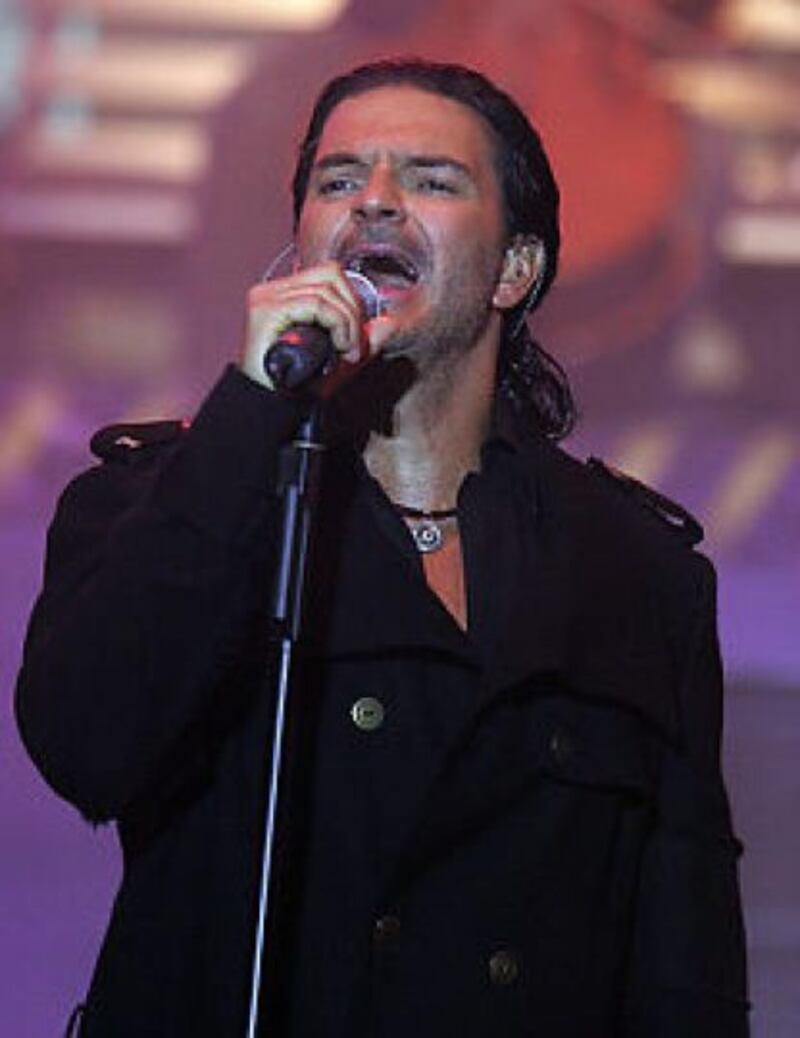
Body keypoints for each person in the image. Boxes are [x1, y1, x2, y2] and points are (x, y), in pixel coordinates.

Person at [15, 59, 748, 1037]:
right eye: (339, 179)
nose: (375, 201)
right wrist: (251, 412)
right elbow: (86, 746)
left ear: (514, 269)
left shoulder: (632, 571)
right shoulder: (161, 505)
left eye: (431, 179)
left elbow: (686, 968)